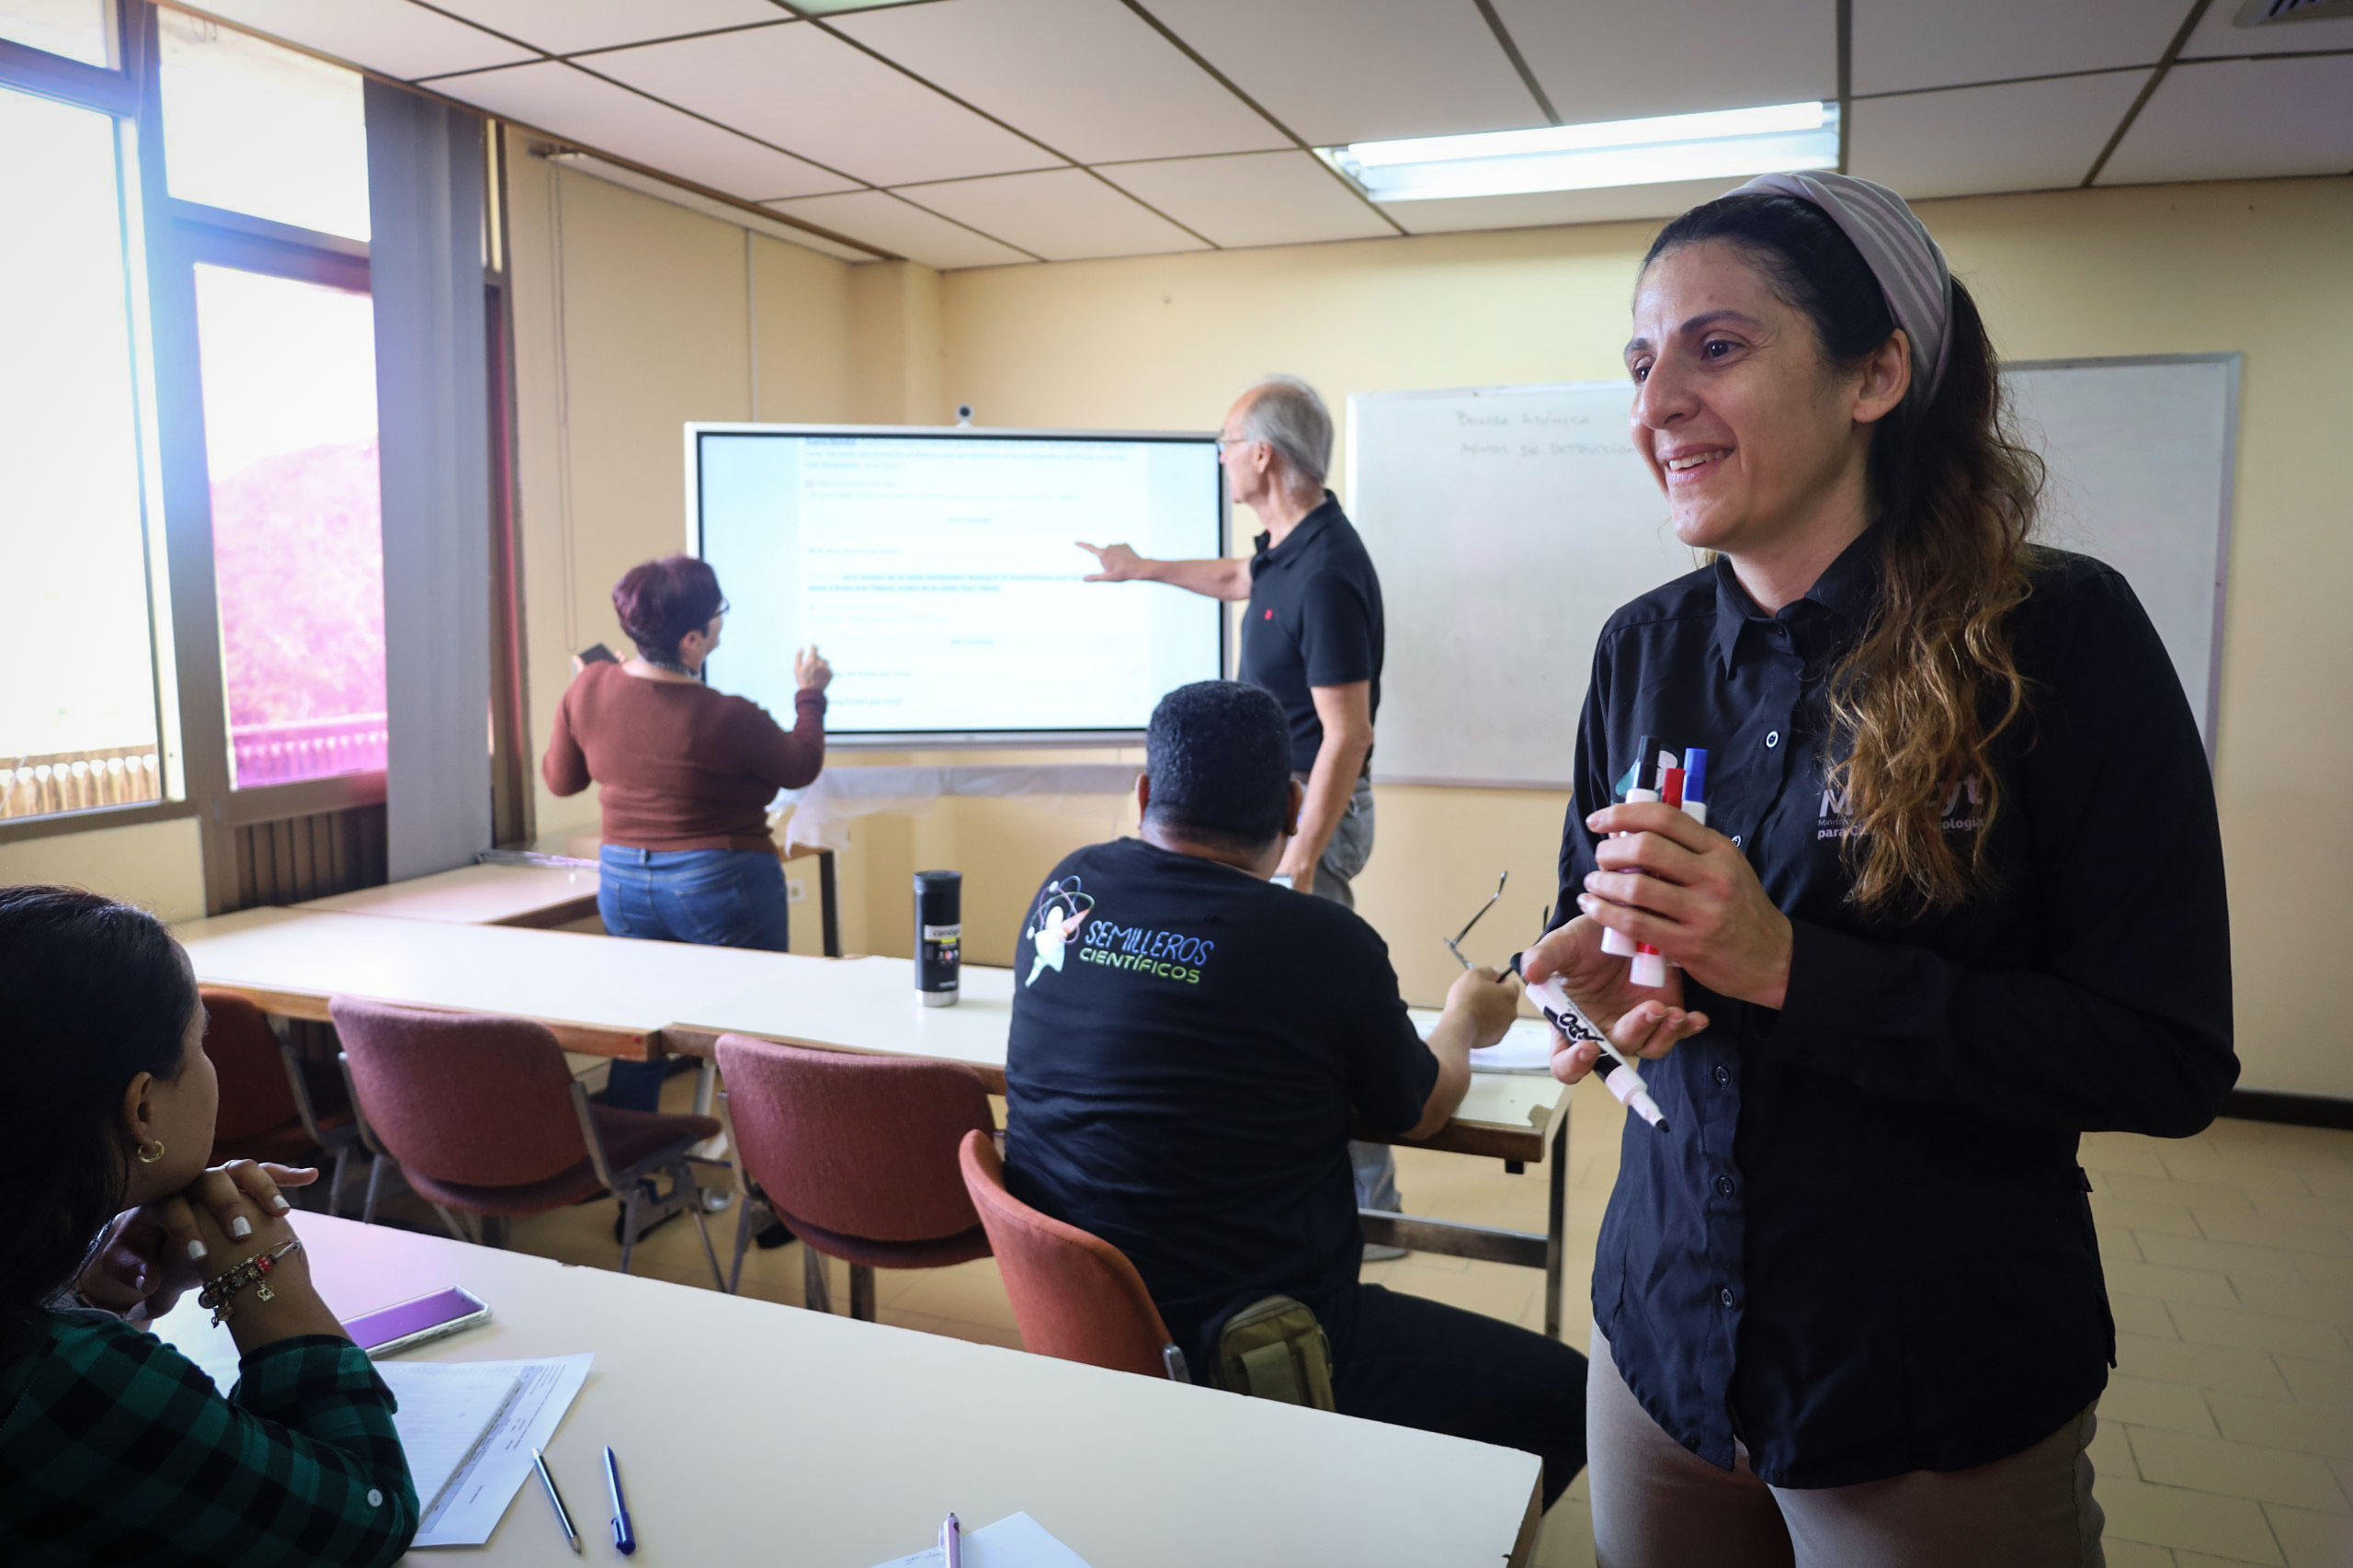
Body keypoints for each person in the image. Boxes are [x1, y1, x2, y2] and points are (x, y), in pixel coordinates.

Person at [1523, 174, 2237, 1567]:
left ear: (1878, 372)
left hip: (1926, 1385)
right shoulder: (1643, 650)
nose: (1653, 400)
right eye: (1640, 360)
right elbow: (1587, 931)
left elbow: (2164, 1058)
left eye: (1715, 347)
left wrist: (1789, 968)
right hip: (1662, 1349)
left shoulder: (2061, 639)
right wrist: (1589, 1000)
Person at [1004, 680, 1594, 1509]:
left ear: (1143, 796)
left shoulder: (1069, 890)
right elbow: (1420, 1108)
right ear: (1292, 807)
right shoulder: (1321, 943)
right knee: (1577, 1396)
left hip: (1087, 1333)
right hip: (1266, 1345)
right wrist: (1463, 1019)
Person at [0, 885, 420, 1566]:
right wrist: (265, 1275)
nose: (209, 1065)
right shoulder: (64, 1378)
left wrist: (89, 1295)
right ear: (141, 1109)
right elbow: (368, 1515)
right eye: (200, 1041)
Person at [1078, 376, 1409, 1234]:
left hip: (1306, 818)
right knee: (1277, 1001)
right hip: (1272, 819)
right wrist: (1140, 568)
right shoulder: (1285, 548)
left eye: (1226, 443)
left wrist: (1300, 854)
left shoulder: (1330, 569)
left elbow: (1348, 733)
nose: (1220, 458)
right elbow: (1237, 577)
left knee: (1323, 1006)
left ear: (1262, 455)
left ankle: (1374, 1212)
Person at [542, 553, 831, 1112]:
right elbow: (799, 766)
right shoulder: (728, 714)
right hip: (720, 884)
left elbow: (561, 781)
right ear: (693, 641)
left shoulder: (591, 686)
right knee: (755, 1036)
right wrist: (810, 694)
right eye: (717, 614)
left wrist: (579, 699)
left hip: (624, 885)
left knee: (639, 1031)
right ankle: (774, 1173)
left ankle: (639, 1171)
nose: (723, 621)